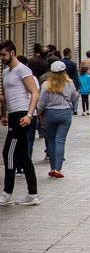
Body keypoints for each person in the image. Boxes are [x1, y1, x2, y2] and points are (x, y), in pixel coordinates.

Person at [0, 40, 40, 206]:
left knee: (8, 152)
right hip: (13, 115)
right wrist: (4, 115)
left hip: (22, 116)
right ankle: (32, 194)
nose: (2, 58)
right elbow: (6, 97)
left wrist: (29, 115)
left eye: (4, 54)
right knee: (23, 155)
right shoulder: (5, 73)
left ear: (13, 52)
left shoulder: (23, 70)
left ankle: (7, 192)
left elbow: (35, 92)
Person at [36, 61, 77, 179]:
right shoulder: (70, 84)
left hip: (50, 114)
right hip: (65, 113)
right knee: (60, 141)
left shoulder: (46, 85)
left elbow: (41, 103)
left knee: (51, 141)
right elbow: (74, 97)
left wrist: (40, 115)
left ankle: (52, 167)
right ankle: (58, 169)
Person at [61, 48, 79, 115]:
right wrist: (77, 87)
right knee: (74, 96)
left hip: (61, 82)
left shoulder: (60, 62)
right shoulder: (73, 64)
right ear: (69, 53)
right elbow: (75, 76)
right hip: (71, 82)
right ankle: (74, 108)